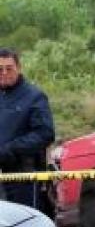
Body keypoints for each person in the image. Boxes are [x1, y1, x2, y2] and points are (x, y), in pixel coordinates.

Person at [0, 48, 55, 209]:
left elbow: (45, 133)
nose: (4, 73)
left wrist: (9, 149)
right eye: (0, 69)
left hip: (24, 177)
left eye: (9, 68)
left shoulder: (34, 96)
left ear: (19, 68)